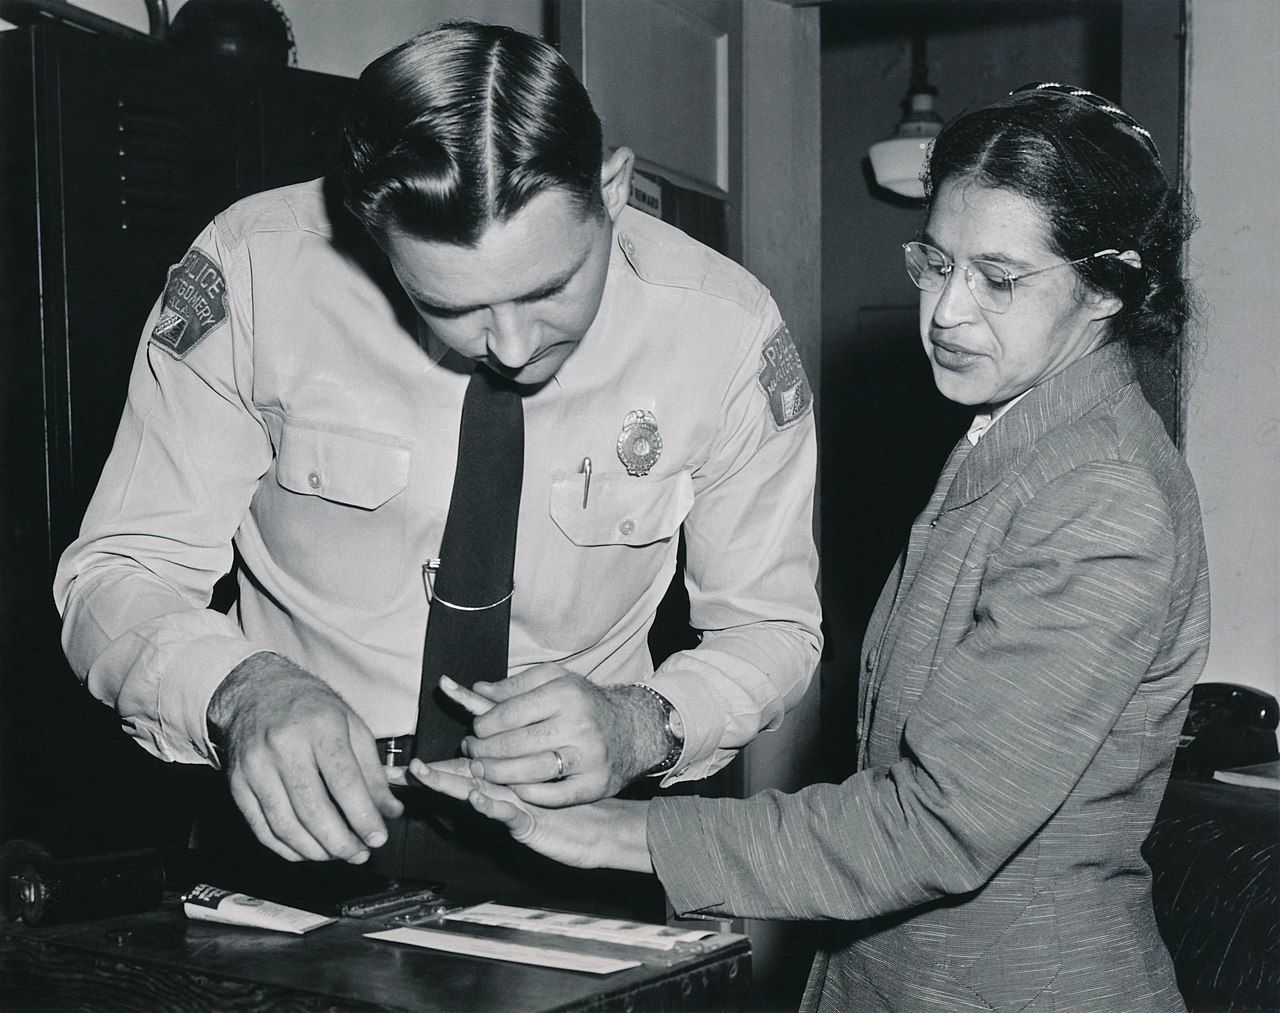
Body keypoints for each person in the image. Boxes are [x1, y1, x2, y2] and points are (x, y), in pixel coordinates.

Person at [416, 82, 1210, 1011]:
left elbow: (938, 823)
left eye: (998, 279)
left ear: (1105, 289)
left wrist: (616, 833)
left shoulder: (1102, 493)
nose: (947, 311)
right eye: (935, 263)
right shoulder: (1022, 433)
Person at [53, 22, 820, 901]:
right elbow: (118, 571)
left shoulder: (724, 331)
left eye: (550, 288)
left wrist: (644, 722)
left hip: (582, 845)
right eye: (450, 305)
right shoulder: (256, 271)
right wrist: (240, 690)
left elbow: (775, 628)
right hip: (294, 837)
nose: (514, 345)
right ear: (372, 234)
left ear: (611, 187)